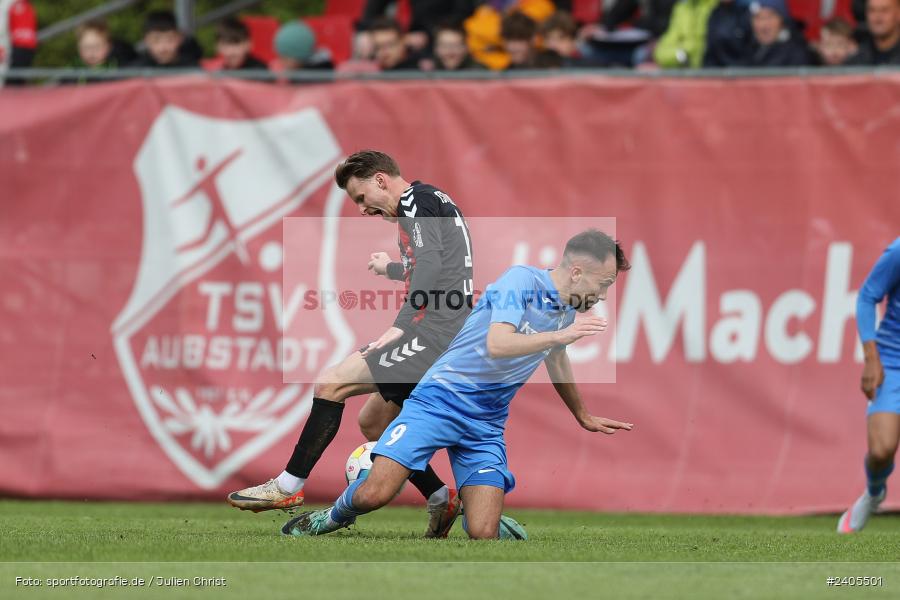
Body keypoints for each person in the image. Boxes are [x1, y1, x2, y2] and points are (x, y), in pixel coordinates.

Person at [282, 230, 634, 540]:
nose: (603, 294)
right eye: (603, 283)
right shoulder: (521, 281)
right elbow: (499, 344)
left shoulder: (566, 309)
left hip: (485, 423)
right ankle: (329, 518)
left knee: (483, 533)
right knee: (373, 495)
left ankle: (474, 513)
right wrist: (559, 335)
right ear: (576, 272)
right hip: (439, 401)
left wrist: (582, 415)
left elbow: (556, 357)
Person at [228, 151, 475, 539]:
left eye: (361, 198)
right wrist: (390, 269)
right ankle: (443, 498)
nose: (362, 209)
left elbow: (429, 265)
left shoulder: (416, 201)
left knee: (332, 384)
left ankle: (287, 486)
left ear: (380, 180)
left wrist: (401, 325)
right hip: (446, 329)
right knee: (374, 423)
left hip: (433, 332)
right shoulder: (432, 202)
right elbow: (438, 264)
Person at [838, 238, 900, 534]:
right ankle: (874, 493)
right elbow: (867, 296)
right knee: (881, 450)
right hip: (893, 358)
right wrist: (871, 359)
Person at [741, 0, 811, 67]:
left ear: (782, 21)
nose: (763, 25)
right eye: (758, 17)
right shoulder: (748, 47)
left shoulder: (797, 54)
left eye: (770, 17)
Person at [653, 0, 719, 68]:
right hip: (684, 70)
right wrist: (680, 55)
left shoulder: (717, 5)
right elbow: (661, 52)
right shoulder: (681, 7)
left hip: (710, 69)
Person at [130, 10, 200, 68]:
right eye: (156, 40)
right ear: (146, 40)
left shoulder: (193, 69)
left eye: (170, 40)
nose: (163, 47)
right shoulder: (135, 71)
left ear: (180, 38)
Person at [847, 0, 900, 65]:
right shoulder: (855, 62)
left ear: (898, 14)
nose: (877, 17)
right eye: (872, 10)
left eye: (884, 10)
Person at [703, 0, 752, 67]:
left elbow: (750, 50)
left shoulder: (746, 13)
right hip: (716, 71)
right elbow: (710, 48)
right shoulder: (714, 13)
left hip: (741, 70)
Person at [0, 0, 36, 86]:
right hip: (24, 46)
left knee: (14, 82)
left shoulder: (23, 4)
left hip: (18, 46)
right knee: (16, 81)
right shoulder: (24, 5)